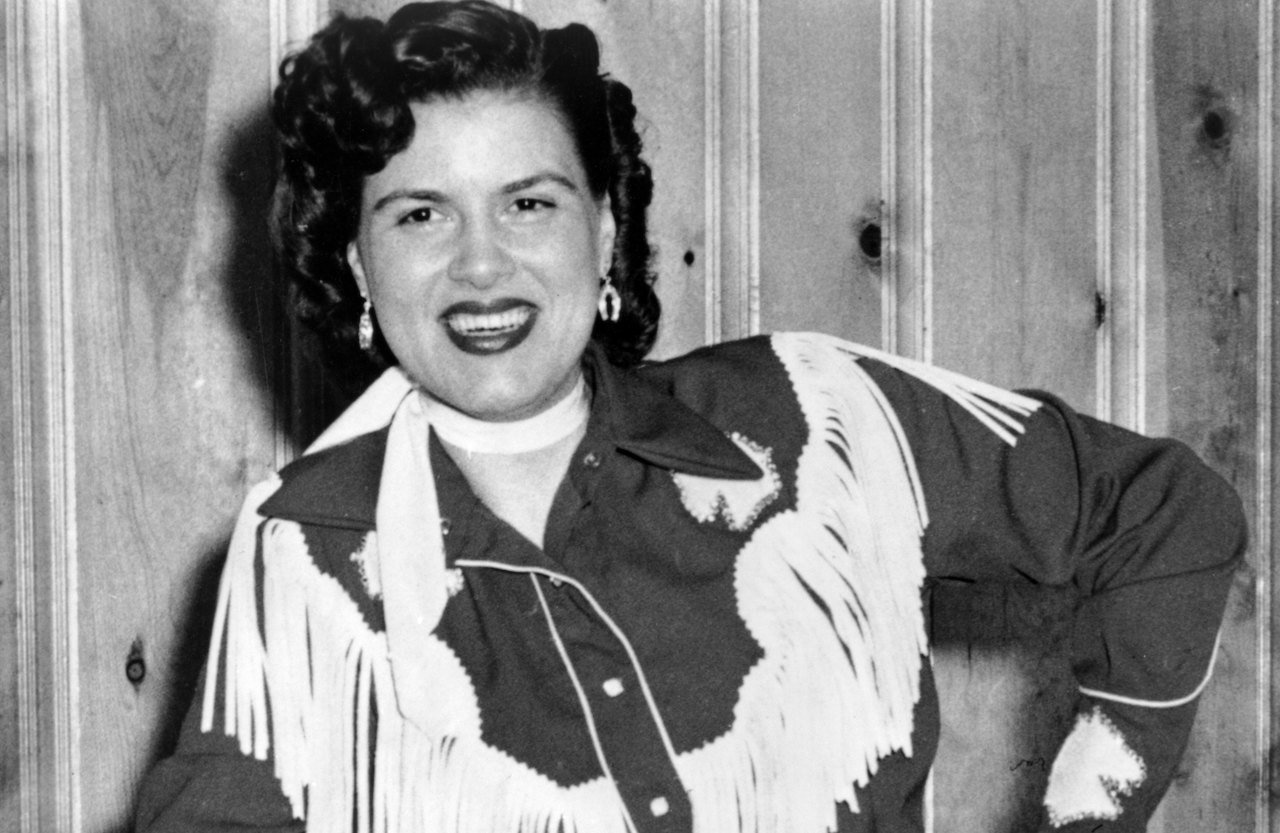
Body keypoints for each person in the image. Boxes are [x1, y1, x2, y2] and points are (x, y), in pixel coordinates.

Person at [134, 2, 1245, 832]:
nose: (481, 265)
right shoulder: (304, 552)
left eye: (529, 202)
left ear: (605, 229)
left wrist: (1090, 806)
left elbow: (1160, 514)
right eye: (420, 213)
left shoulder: (822, 419)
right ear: (354, 258)